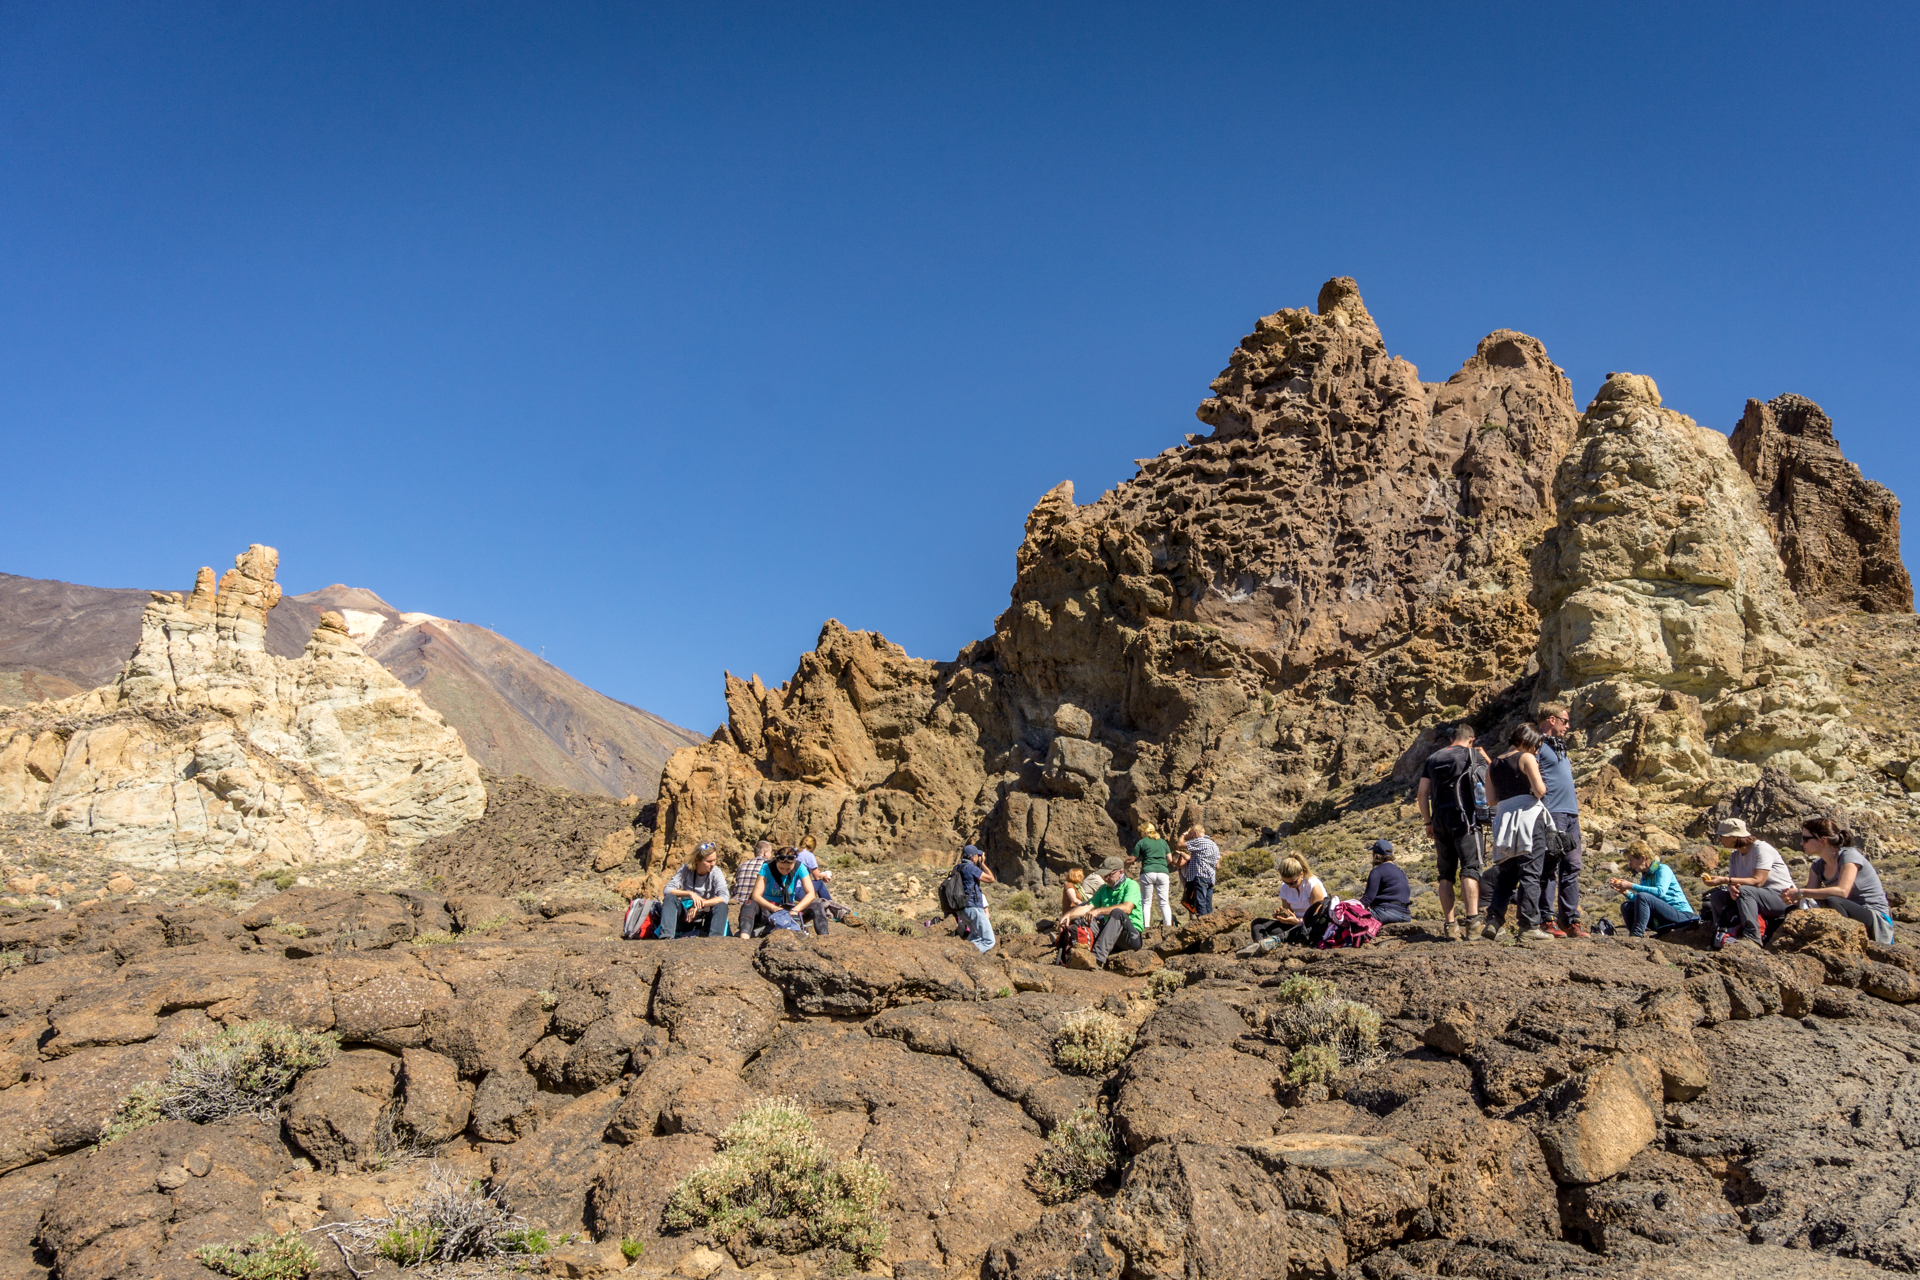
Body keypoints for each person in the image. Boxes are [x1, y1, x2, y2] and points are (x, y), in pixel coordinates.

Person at [1481, 724, 1554, 942]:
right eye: (1536, 745)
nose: (1537, 750)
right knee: (1530, 872)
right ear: (1527, 740)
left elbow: (1491, 800)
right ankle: (1529, 926)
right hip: (1528, 817)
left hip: (1504, 818)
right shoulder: (1526, 758)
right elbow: (1540, 790)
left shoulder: (1492, 765)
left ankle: (1493, 920)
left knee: (1507, 874)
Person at [1417, 723, 1489, 941]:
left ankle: (1450, 925)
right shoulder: (1472, 756)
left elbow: (1422, 794)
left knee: (1445, 875)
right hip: (1465, 819)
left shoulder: (1433, 759)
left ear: (1451, 740)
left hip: (1439, 820)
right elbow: (1493, 778)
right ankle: (1473, 922)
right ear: (1471, 739)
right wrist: (1485, 757)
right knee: (1470, 869)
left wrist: (1428, 822)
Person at [1785, 816, 1897, 943]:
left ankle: (1845, 942)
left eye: (1805, 839)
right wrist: (1795, 899)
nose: (1801, 843)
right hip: (1845, 911)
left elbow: (1843, 891)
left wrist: (1801, 892)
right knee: (1791, 911)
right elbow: (1811, 897)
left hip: (1875, 918)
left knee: (1833, 901)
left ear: (1823, 840)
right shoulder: (1817, 865)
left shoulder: (1849, 856)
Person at [1533, 705, 1589, 938]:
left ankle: (1570, 920)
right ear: (1552, 719)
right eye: (1565, 721)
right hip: (1552, 813)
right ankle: (1547, 918)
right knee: (1550, 865)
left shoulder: (1559, 748)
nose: (1568, 726)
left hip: (1571, 814)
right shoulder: (1537, 745)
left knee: (1572, 866)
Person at [1702, 818, 1793, 949]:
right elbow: (1733, 881)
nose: (1720, 839)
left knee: (1745, 892)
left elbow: (1758, 881)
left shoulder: (1761, 849)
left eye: (1722, 836)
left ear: (1733, 836)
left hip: (1782, 897)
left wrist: (1725, 880)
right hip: (1754, 897)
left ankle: (1752, 938)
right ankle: (1721, 935)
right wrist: (1731, 888)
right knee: (1717, 896)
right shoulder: (1735, 855)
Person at [1606, 841, 1700, 937]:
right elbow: (1642, 903)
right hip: (1662, 920)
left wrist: (1631, 885)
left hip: (1682, 915)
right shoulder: (1645, 877)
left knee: (1643, 896)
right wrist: (1625, 892)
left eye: (1631, 860)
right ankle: (1633, 935)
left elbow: (1660, 892)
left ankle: (1636, 935)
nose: (1630, 864)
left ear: (1643, 858)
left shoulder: (1663, 869)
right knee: (1627, 906)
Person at [660, 842, 731, 938]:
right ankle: (667, 936)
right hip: (686, 916)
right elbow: (667, 889)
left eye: (714, 860)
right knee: (670, 898)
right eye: (709, 861)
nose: (713, 864)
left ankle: (715, 940)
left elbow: (724, 897)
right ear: (697, 860)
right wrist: (690, 894)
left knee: (722, 906)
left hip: (706, 915)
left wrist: (698, 904)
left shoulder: (716, 872)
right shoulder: (686, 869)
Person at [1087, 856, 1146, 967]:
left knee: (1117, 912)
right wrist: (1068, 917)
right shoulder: (1103, 889)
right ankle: (1079, 951)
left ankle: (1096, 960)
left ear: (1120, 872)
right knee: (1084, 918)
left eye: (1109, 875)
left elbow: (1127, 908)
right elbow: (1087, 907)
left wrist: (1099, 911)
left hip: (1131, 938)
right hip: (1113, 937)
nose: (1106, 878)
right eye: (1104, 875)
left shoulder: (1131, 885)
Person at [751, 846, 820, 934]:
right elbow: (756, 895)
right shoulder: (766, 867)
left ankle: (824, 937)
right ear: (776, 861)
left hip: (789, 908)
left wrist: (795, 910)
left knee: (818, 906)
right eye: (781, 868)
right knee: (749, 905)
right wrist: (773, 908)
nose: (784, 872)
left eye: (788, 869)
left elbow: (811, 893)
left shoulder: (800, 867)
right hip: (768, 909)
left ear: (794, 863)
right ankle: (745, 936)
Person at [955, 844, 996, 953]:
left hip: (962, 910)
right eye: (978, 855)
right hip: (973, 908)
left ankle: (960, 950)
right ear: (973, 857)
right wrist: (982, 863)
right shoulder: (971, 868)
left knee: (976, 936)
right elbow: (991, 879)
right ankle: (965, 955)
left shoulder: (957, 868)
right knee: (989, 941)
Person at [1360, 839, 1412, 924]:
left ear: (1376, 855)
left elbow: (1367, 899)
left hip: (1386, 913)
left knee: (1352, 919)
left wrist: (1352, 907)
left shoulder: (1377, 871)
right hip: (1406, 915)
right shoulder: (1401, 871)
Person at [1133, 824, 1175, 928]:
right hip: (1163, 873)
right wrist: (1161, 865)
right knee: (1164, 902)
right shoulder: (1163, 842)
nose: (1140, 834)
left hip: (1147, 872)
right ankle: (1168, 926)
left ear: (1144, 832)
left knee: (1146, 902)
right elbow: (1170, 859)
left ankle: (1146, 927)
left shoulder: (1142, 842)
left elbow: (1132, 858)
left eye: (1141, 832)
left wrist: (1124, 865)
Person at [731, 839, 772, 938]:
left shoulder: (742, 865)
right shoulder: (769, 866)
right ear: (765, 853)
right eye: (771, 852)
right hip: (756, 906)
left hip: (738, 901)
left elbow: (734, 887)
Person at [1179, 824, 1220, 917]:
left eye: (1192, 835)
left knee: (1200, 904)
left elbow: (1179, 845)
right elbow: (1217, 865)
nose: (1192, 838)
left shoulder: (1199, 841)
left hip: (1201, 876)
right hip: (1211, 878)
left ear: (1196, 833)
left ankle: (1203, 926)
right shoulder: (1214, 845)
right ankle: (1211, 926)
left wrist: (1183, 835)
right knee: (1208, 904)